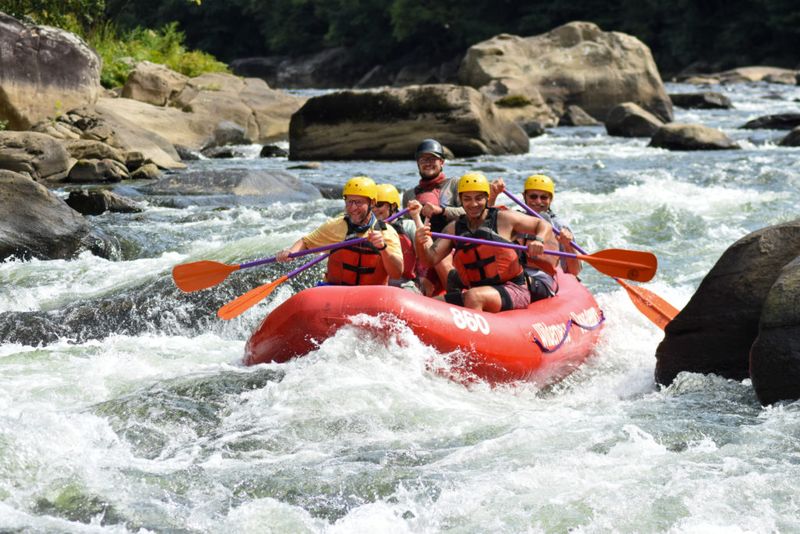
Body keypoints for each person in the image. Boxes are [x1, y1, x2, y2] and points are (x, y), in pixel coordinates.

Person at [415, 172, 557, 312]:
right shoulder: (453, 229)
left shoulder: (504, 219)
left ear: (487, 197)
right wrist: (420, 242)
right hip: (477, 290)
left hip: (513, 289)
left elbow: (543, 225)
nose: (473, 204)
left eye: (479, 198)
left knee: (474, 297)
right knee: (427, 306)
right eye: (467, 199)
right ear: (460, 199)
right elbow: (429, 260)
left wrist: (539, 240)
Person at [276, 176, 403, 285]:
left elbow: (397, 273)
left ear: (372, 203)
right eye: (349, 202)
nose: (353, 208)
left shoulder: (387, 232)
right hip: (336, 292)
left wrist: (383, 248)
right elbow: (305, 242)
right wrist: (290, 252)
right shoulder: (335, 226)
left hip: (371, 296)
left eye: (358, 202)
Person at [400, 138, 466, 294]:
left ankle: (457, 295)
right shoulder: (410, 195)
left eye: (432, 159)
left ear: (442, 162)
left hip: (452, 246)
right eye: (423, 159)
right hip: (423, 249)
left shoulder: (455, 184)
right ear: (418, 164)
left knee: (440, 260)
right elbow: (408, 228)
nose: (428, 163)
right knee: (423, 283)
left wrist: (442, 211)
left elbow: (470, 212)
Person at [490, 174, 582, 278]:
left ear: (550, 199)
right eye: (533, 196)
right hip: (514, 271)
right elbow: (487, 222)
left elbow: (574, 271)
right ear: (524, 196)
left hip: (542, 275)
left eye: (544, 197)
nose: (538, 201)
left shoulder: (559, 226)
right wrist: (493, 196)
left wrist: (568, 246)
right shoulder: (514, 219)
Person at [373, 183, 422, 292]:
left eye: (379, 205)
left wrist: (417, 217)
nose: (375, 209)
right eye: (372, 205)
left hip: (404, 284)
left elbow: (424, 254)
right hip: (376, 284)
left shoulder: (408, 225)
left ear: (393, 206)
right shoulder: (369, 228)